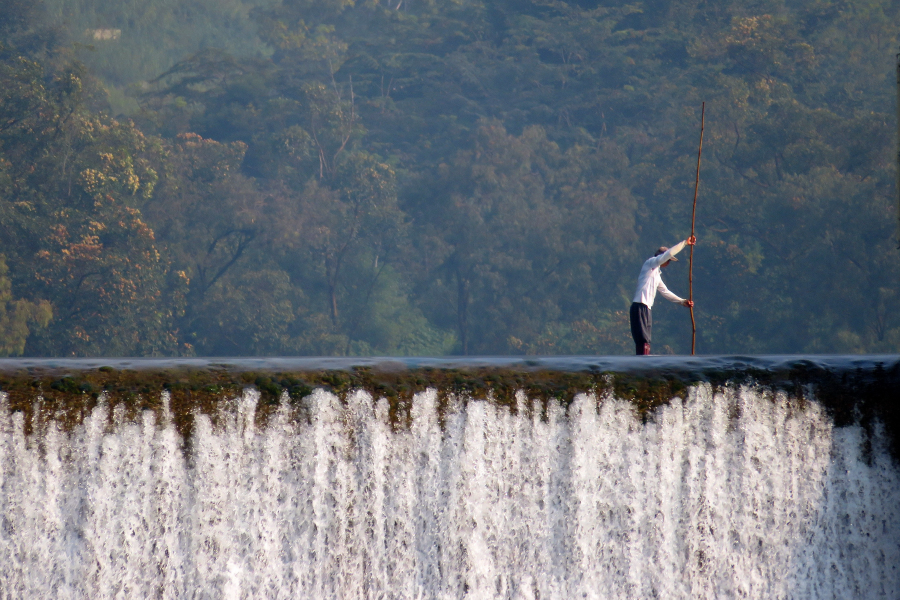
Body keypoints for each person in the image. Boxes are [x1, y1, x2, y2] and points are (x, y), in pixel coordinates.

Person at [630, 236, 696, 355]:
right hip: (640, 305)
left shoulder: (656, 274)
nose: (669, 262)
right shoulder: (650, 263)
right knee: (642, 339)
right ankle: (641, 363)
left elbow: (665, 291)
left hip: (646, 307)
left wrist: (682, 301)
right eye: (669, 260)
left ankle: (645, 362)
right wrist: (685, 243)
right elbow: (669, 253)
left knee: (646, 340)